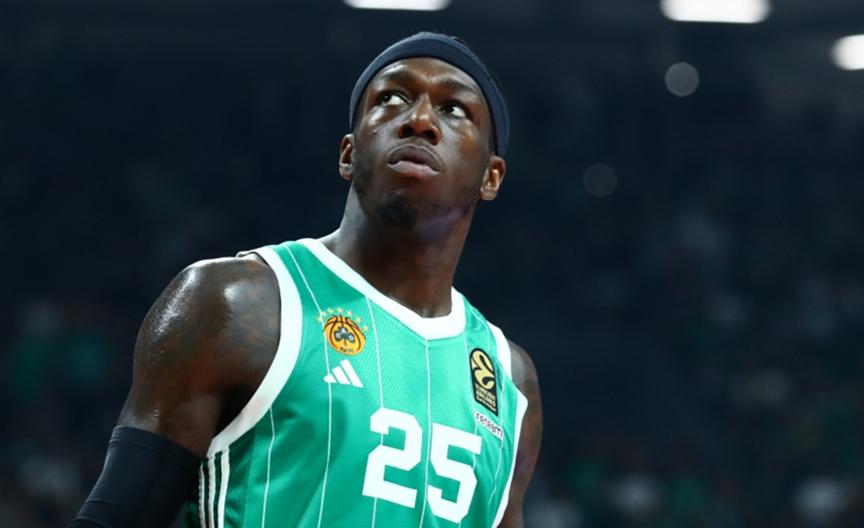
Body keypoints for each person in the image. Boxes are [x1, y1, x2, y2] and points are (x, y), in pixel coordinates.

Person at [71, 31, 542, 528]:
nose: (419, 120)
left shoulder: (510, 381)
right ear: (348, 153)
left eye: (454, 109)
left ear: (491, 177)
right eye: (391, 99)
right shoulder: (236, 304)